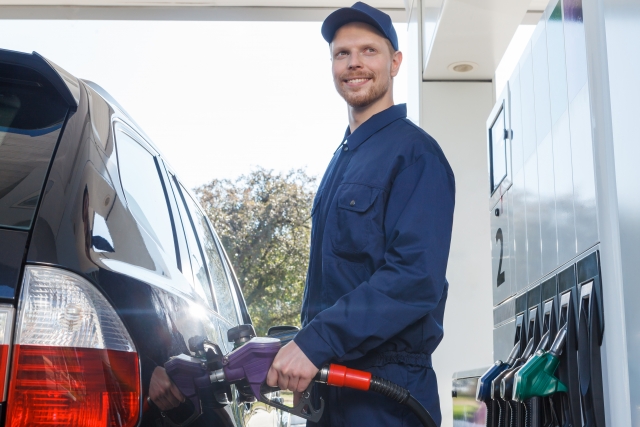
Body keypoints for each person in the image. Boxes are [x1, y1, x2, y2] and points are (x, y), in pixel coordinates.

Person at [266, 2, 455, 426]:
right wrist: (307, 358)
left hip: (386, 394)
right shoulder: (343, 159)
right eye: (341, 53)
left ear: (395, 62)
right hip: (335, 387)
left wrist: (316, 342)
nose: (354, 64)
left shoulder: (415, 154)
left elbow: (415, 277)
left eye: (369, 51)